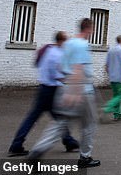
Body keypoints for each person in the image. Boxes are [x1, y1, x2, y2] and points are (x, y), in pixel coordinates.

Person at [28, 18, 100, 168]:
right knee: (89, 124)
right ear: (88, 29)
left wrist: (67, 86)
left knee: (60, 123)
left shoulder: (68, 44)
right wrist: (75, 91)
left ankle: (38, 150)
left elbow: (61, 67)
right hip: (81, 90)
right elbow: (78, 68)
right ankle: (85, 157)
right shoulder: (82, 45)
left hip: (65, 87)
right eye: (92, 29)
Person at [8, 31, 79, 156]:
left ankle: (17, 144)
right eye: (66, 41)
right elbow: (58, 76)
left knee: (36, 117)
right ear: (61, 41)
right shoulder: (57, 55)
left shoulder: (48, 50)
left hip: (43, 88)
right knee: (59, 118)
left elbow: (39, 64)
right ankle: (69, 141)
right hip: (52, 90)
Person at [102, 35, 121, 122]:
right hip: (120, 78)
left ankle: (117, 115)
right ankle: (107, 108)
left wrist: (110, 75)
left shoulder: (110, 50)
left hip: (112, 78)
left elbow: (106, 66)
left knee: (116, 96)